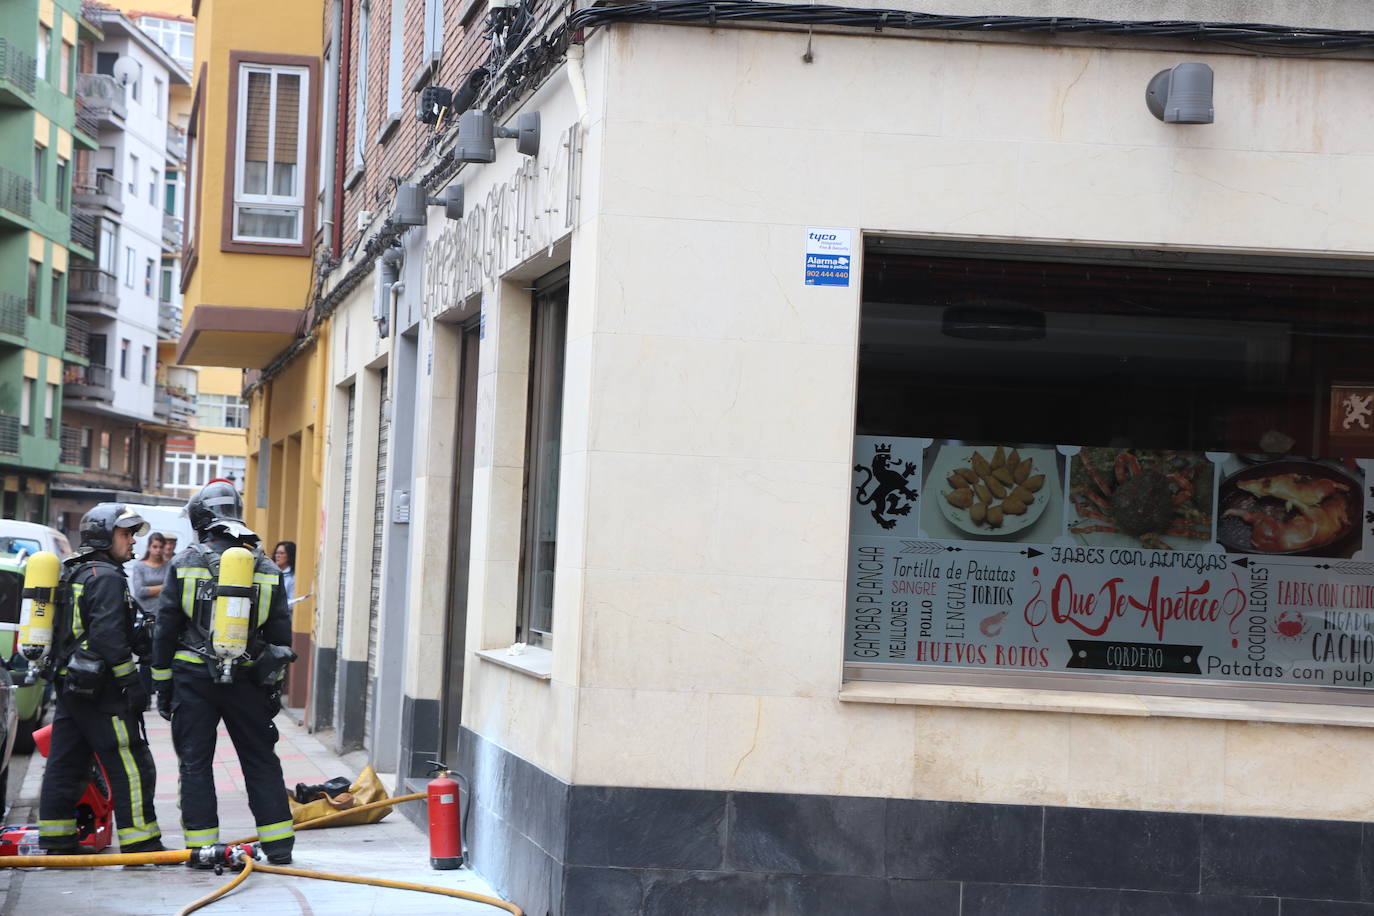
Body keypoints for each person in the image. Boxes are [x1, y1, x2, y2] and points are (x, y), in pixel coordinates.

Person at [151, 480, 296, 864]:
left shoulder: (185, 562)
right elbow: (280, 634)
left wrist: (162, 686)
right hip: (247, 678)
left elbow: (165, 628)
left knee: (195, 763)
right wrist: (273, 689)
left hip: (192, 677)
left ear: (202, 518)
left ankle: (202, 847)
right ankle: (279, 846)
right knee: (260, 760)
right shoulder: (264, 565)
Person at [39, 504, 163, 854]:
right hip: (101, 688)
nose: (132, 541)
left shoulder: (76, 572)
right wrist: (131, 683)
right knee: (130, 760)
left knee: (66, 760)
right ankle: (143, 842)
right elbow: (109, 638)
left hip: (71, 684)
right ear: (103, 535)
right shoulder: (106, 576)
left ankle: (57, 837)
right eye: (126, 534)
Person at [127, 532, 168, 704]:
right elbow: (140, 591)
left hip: (164, 617)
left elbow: (171, 591)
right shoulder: (140, 566)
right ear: (149, 547)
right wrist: (164, 587)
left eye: (160, 547)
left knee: (162, 657)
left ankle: (161, 694)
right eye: (155, 546)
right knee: (145, 658)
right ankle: (145, 697)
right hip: (146, 618)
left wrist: (155, 589)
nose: (158, 550)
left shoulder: (168, 565)